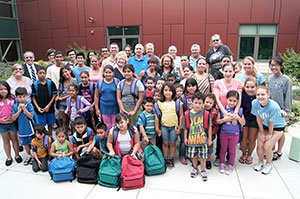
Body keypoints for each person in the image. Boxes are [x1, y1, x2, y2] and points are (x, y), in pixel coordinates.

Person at [251, 86, 286, 175]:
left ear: (268, 95)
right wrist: (262, 133)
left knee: (267, 145)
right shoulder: (255, 103)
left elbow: (272, 122)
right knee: (259, 144)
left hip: (277, 126)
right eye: (258, 94)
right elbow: (258, 118)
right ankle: (261, 161)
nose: (260, 96)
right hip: (265, 125)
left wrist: (270, 134)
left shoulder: (274, 106)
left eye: (263, 94)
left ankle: (268, 164)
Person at [213, 63, 243, 166]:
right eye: (226, 71)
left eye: (230, 71)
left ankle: (230, 159)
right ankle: (218, 156)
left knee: (233, 134)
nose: (228, 73)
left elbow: (239, 99)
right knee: (221, 135)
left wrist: (235, 113)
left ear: (234, 71)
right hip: (221, 111)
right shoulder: (218, 82)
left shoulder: (238, 82)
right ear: (222, 71)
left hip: (234, 112)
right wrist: (224, 113)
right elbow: (217, 98)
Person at [183, 92, 212, 181]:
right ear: (192, 102)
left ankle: (203, 170)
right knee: (194, 156)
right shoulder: (187, 114)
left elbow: (210, 127)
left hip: (203, 140)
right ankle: (195, 168)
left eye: (200, 103)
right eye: (195, 103)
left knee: (203, 157)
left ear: (203, 104)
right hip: (192, 140)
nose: (197, 105)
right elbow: (185, 128)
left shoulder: (206, 114)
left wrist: (210, 139)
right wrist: (185, 138)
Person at [268, 56, 292, 161]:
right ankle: (271, 150)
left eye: (275, 65)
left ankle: (279, 151)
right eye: (271, 65)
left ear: (281, 66)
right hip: (272, 109)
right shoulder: (270, 78)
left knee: (280, 131)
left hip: (282, 110)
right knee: (272, 131)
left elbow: (288, 96)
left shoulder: (286, 80)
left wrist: (287, 112)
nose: (273, 67)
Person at [217, 90, 245, 175]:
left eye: (234, 101)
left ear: (237, 101)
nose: (232, 103)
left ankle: (230, 164)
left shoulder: (239, 111)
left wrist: (238, 118)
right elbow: (217, 121)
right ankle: (222, 163)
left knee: (232, 150)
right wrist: (223, 120)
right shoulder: (223, 110)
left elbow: (243, 123)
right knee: (223, 149)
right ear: (226, 99)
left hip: (235, 134)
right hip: (224, 133)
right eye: (230, 100)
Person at [155, 83, 183, 168]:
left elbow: (181, 115)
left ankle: (171, 158)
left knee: (173, 143)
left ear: (173, 92)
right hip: (164, 126)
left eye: (170, 90)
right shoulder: (159, 103)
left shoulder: (177, 102)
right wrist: (157, 128)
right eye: (166, 90)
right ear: (162, 92)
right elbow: (156, 117)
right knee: (165, 143)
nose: (168, 92)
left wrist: (180, 127)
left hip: (174, 126)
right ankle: (165, 159)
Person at [12, 87, 36, 166]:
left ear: (26, 96)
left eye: (23, 96)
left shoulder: (29, 105)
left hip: (30, 128)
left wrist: (25, 109)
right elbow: (13, 117)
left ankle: (34, 156)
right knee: (25, 143)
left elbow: (31, 116)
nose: (22, 99)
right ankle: (29, 155)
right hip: (21, 128)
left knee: (32, 142)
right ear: (16, 97)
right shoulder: (15, 106)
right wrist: (19, 110)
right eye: (19, 97)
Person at [0, 81, 22, 166]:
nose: (3, 91)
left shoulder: (12, 98)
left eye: (5, 89)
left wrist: (14, 117)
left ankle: (17, 155)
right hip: (2, 124)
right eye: (1, 89)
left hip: (12, 122)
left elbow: (17, 107)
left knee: (14, 139)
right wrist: (1, 120)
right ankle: (9, 157)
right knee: (6, 140)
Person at [32, 67, 57, 136]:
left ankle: (50, 137)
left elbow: (54, 95)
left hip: (50, 108)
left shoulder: (50, 83)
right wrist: (37, 107)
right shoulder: (34, 84)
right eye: (40, 73)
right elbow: (33, 97)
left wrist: (48, 106)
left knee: (50, 125)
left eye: (43, 73)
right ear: (37, 74)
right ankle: (43, 139)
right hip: (40, 108)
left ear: (46, 74)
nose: (42, 75)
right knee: (41, 126)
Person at [179, 78, 199, 165]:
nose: (191, 88)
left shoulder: (199, 96)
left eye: (193, 86)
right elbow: (180, 112)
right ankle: (182, 155)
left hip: (196, 122)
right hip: (185, 121)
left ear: (196, 86)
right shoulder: (183, 97)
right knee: (184, 140)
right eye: (189, 86)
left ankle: (191, 155)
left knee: (192, 140)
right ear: (186, 87)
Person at [95, 65, 120, 130]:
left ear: (113, 73)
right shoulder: (100, 83)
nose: (108, 74)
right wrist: (97, 109)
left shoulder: (117, 82)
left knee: (115, 125)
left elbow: (120, 96)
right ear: (103, 73)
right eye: (106, 72)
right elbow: (96, 96)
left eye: (110, 72)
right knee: (107, 125)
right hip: (104, 108)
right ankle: (109, 138)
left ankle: (114, 138)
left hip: (115, 107)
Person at [240, 77, 258, 164]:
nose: (250, 89)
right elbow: (240, 106)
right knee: (244, 138)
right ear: (244, 87)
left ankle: (250, 154)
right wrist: (242, 116)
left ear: (256, 87)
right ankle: (243, 154)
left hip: (255, 118)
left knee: (252, 138)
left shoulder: (258, 95)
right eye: (247, 87)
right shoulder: (242, 94)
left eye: (252, 87)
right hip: (245, 117)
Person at [56, 65, 77, 133]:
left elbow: (73, 93)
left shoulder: (74, 80)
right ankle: (66, 135)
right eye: (63, 73)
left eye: (66, 72)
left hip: (71, 102)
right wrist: (58, 96)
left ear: (70, 71)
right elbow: (59, 90)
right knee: (65, 121)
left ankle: (74, 134)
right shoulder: (62, 81)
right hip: (62, 103)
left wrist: (62, 98)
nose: (65, 74)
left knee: (73, 120)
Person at [203, 93, 219, 169]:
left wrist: (213, 132)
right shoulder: (200, 110)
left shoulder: (214, 112)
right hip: (200, 133)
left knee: (209, 148)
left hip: (210, 133)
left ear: (213, 104)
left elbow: (216, 124)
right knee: (200, 147)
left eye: (210, 103)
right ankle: (201, 160)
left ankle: (207, 160)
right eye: (206, 102)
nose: (208, 104)